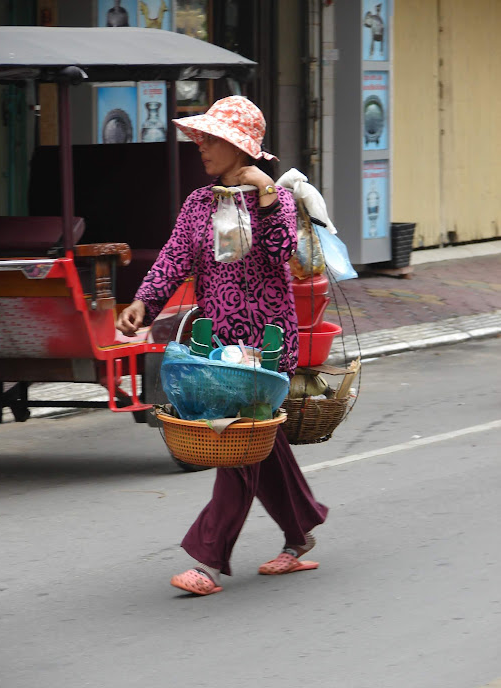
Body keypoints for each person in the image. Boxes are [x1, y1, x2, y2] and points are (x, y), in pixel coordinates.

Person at [116, 96, 328, 596]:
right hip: (220, 347)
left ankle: (207, 560)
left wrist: (271, 198)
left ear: (238, 146)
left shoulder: (271, 201)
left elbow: (284, 257)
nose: (202, 148)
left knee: (236, 443)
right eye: (201, 138)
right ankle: (300, 532)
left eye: (211, 139)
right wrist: (143, 304)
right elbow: (172, 259)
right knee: (258, 441)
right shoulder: (198, 204)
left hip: (267, 347)